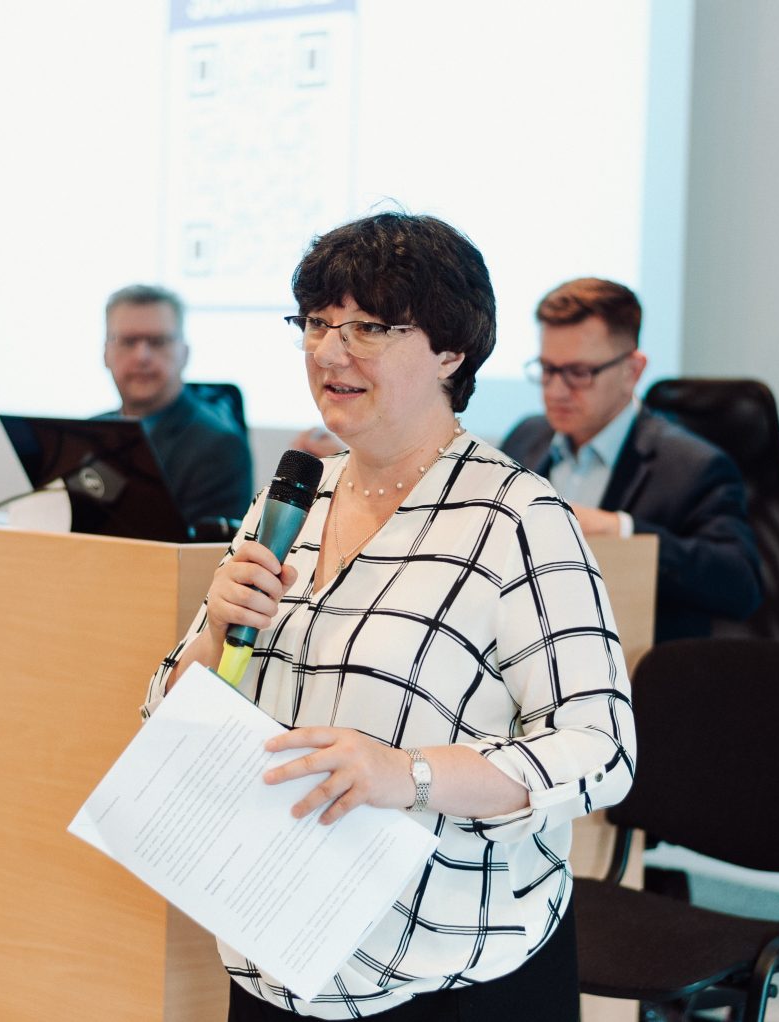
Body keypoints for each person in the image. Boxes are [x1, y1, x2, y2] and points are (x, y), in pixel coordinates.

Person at [143, 214, 635, 1020]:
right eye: (316, 323)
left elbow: (600, 750)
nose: (330, 352)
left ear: (450, 351)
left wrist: (409, 774)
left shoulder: (515, 518)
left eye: (369, 327)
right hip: (275, 950)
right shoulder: (289, 501)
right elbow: (170, 713)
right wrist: (213, 638)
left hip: (447, 970)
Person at [500, 278, 762, 643]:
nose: (556, 391)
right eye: (547, 369)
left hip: (629, 665)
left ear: (632, 371)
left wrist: (622, 532)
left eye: (579, 373)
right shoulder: (525, 438)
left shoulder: (693, 467)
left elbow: (740, 583)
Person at [96, 283, 253, 524]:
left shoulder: (219, 447)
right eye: (128, 341)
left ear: (185, 353)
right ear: (106, 354)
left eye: (158, 341)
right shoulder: (88, 436)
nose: (142, 356)